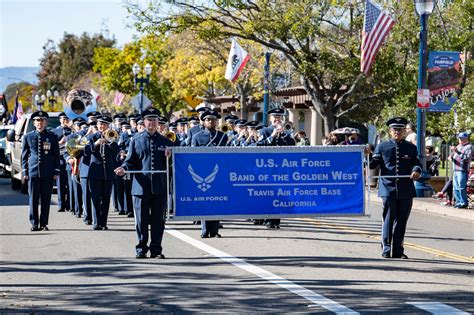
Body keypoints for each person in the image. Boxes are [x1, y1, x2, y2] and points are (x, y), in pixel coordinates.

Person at [115, 108, 174, 259]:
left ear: (158, 122)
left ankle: (156, 249)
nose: (152, 123)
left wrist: (171, 154)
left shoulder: (166, 142)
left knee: (158, 220)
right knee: (141, 221)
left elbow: (175, 164)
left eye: (155, 120)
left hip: (159, 187)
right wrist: (123, 168)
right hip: (140, 188)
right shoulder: (136, 139)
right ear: (144, 122)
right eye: (149, 120)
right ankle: (141, 248)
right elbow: (130, 162)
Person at [367, 117, 421, 259]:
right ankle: (386, 248)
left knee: (402, 220)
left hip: (405, 188)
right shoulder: (382, 146)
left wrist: (416, 171)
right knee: (389, 219)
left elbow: (416, 163)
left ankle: (398, 250)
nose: (397, 132)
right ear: (390, 131)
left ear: (404, 131)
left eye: (400, 130)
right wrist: (366, 156)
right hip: (388, 188)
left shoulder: (410, 147)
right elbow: (373, 164)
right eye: (394, 130)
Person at [191, 109, 228, 237]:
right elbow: (192, 156)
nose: (211, 122)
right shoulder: (197, 137)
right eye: (208, 120)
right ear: (204, 122)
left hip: (218, 172)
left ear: (217, 122)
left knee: (217, 201)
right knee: (205, 200)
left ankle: (215, 230)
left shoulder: (223, 136)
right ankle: (205, 230)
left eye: (213, 120)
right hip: (203, 173)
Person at [21, 111, 60, 231]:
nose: (40, 123)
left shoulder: (52, 137)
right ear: (34, 122)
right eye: (37, 120)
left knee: (46, 198)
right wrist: (24, 171)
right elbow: (24, 155)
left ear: (46, 122)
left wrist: (56, 171)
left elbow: (56, 155)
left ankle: (43, 223)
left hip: (48, 172)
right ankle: (34, 223)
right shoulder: (28, 136)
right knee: (33, 198)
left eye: (42, 120)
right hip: (33, 172)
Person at [257, 108, 296, 228]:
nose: (277, 119)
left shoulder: (286, 132)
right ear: (270, 118)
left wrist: (284, 135)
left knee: (279, 194)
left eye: (279, 117)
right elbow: (258, 146)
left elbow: (292, 145)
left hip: (281, 169)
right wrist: (272, 136)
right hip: (267, 169)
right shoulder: (264, 131)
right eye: (274, 117)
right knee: (268, 194)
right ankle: (268, 219)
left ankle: (276, 220)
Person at [84, 115, 119, 230]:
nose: (102, 126)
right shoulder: (92, 137)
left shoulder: (113, 136)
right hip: (95, 172)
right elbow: (86, 151)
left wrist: (110, 142)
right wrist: (96, 144)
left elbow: (116, 153)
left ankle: (103, 223)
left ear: (108, 126)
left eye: (104, 124)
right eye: (100, 124)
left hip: (108, 172)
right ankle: (96, 222)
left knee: (106, 198)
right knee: (95, 198)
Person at [51, 112, 72, 212]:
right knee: (60, 183)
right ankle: (61, 204)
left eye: (67, 119)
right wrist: (60, 142)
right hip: (60, 159)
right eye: (63, 119)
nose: (65, 121)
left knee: (70, 183)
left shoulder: (72, 130)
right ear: (60, 120)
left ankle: (69, 204)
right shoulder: (54, 131)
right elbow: (51, 147)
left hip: (71, 158)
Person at [448, 132, 472, 209]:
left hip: (462, 170)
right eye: (459, 138)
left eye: (461, 138)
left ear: (466, 138)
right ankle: (458, 202)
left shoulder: (469, 146)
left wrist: (457, 151)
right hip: (456, 169)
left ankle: (463, 202)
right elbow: (453, 156)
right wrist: (451, 157)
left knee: (461, 187)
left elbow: (466, 158)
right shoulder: (459, 146)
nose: (460, 139)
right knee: (455, 187)